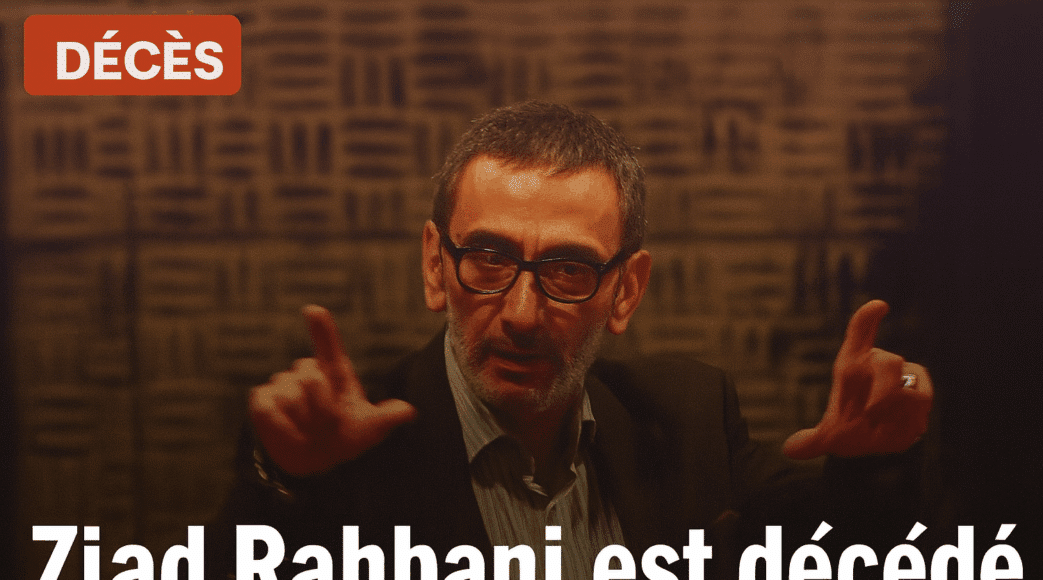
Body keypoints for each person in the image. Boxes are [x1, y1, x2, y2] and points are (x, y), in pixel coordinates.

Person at [209, 101, 933, 579]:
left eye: (567, 269)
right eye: (488, 258)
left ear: (627, 290)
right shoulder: (349, 449)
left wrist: (877, 457)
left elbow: (842, 550)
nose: (522, 313)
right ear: (435, 265)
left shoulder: (686, 417)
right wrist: (284, 483)